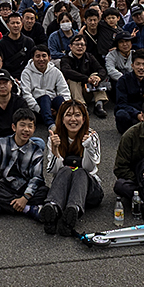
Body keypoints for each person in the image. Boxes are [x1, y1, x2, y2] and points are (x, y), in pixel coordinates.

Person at [37, 100, 103, 235]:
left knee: (80, 171)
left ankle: (73, 211)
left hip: (89, 191)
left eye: (77, 115)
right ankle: (53, 208)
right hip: (63, 190)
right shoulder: (54, 137)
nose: (73, 119)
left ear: (84, 119)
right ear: (62, 119)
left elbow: (89, 168)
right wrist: (55, 150)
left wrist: (88, 147)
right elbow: (53, 170)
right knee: (66, 169)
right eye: (68, 115)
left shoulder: (92, 136)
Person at [0, 111, 48, 221]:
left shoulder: (36, 150)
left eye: (30, 126)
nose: (26, 129)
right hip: (5, 184)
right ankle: (27, 209)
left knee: (45, 191)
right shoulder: (1, 143)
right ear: (14, 127)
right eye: (22, 125)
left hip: (24, 186)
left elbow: (37, 177)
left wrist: (25, 197)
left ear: (34, 129)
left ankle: (3, 204)